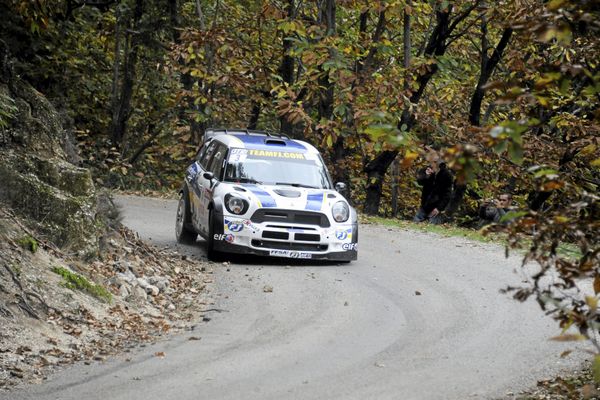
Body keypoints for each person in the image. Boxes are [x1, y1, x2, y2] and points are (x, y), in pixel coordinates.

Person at [413, 158, 453, 224]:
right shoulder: (427, 170)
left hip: (436, 207)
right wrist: (426, 175)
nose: (431, 164)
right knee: (414, 224)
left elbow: (447, 194)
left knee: (432, 228)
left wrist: (439, 208)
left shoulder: (447, 175)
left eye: (434, 163)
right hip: (424, 205)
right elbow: (420, 182)